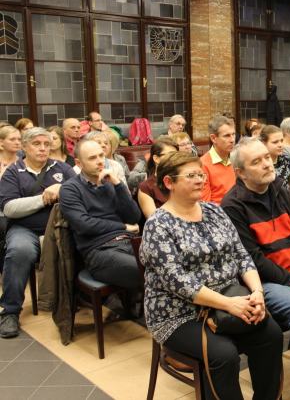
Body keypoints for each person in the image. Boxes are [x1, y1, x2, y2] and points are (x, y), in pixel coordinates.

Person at [141, 151, 282, 400]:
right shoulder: (158, 224)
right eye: (191, 176)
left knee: (271, 335)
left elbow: (241, 255)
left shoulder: (214, 211)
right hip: (179, 313)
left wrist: (257, 292)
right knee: (223, 355)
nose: (200, 180)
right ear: (169, 182)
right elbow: (177, 281)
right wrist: (229, 304)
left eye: (201, 174)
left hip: (230, 299)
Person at [221, 138, 290, 400]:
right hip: (266, 284)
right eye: (256, 161)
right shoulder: (232, 206)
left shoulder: (282, 191)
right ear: (240, 173)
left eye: (267, 157)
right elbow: (254, 259)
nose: (267, 164)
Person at [0, 128, 76, 338]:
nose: (43, 148)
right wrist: (44, 198)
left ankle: (77, 299)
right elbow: (9, 208)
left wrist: (61, 188)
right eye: (36, 144)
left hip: (60, 228)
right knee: (19, 251)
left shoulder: (62, 168)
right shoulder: (13, 172)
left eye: (46, 144)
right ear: (24, 147)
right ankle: (10, 311)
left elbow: (79, 194)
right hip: (26, 229)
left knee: (85, 244)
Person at [59, 140, 142, 288]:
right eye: (92, 158)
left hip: (129, 242)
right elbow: (84, 225)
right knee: (151, 271)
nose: (100, 161)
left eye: (101, 155)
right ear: (78, 163)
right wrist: (123, 227)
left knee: (171, 263)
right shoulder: (70, 188)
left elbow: (134, 217)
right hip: (100, 251)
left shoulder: (111, 184)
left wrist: (118, 185)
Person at [137, 137, 178, 219]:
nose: (174, 159)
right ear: (156, 158)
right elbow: (154, 220)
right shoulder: (146, 187)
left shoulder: (181, 180)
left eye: (176, 155)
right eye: (170, 155)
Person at [200, 116, 236, 204]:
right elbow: (205, 205)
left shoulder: (236, 159)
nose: (232, 140)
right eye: (227, 136)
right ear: (213, 138)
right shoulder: (202, 165)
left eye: (233, 134)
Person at [259, 125, 290, 189]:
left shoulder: (288, 161)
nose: (280, 145)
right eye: (275, 142)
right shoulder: (259, 164)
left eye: (282, 141)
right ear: (264, 144)